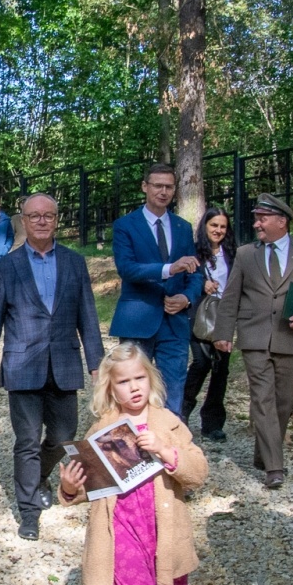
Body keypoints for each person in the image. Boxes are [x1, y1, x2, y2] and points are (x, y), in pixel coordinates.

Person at [59, 343, 208, 585]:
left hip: (160, 527)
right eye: (124, 382)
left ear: (151, 379)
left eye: (140, 378)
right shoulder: (102, 429)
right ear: (110, 388)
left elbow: (198, 473)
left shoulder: (168, 422)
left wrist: (167, 452)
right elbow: (87, 487)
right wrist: (70, 488)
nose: (134, 387)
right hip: (120, 526)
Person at [0, 193, 105, 540]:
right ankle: (29, 511)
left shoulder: (74, 263)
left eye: (49, 215)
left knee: (63, 437)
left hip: (64, 363)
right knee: (27, 440)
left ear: (57, 220)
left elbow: (88, 316)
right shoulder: (7, 266)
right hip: (22, 366)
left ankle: (41, 475)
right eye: (35, 216)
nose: (42, 221)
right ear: (24, 220)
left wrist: (97, 363)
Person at [212, 194, 293, 489]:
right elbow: (231, 296)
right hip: (254, 337)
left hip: (291, 338)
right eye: (256, 218)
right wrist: (223, 333)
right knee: (262, 399)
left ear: (282, 221)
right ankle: (274, 467)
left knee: (283, 403)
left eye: (263, 219)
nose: (256, 224)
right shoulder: (245, 254)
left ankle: (263, 455)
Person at [108, 163, 204, 416]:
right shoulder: (125, 225)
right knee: (132, 391)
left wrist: (186, 298)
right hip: (138, 319)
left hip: (174, 321)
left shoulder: (183, 227)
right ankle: (132, 438)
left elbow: (195, 272)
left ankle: (170, 438)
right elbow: (127, 268)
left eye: (169, 187)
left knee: (173, 391)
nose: (163, 192)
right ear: (145, 187)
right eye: (158, 186)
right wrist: (169, 269)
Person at [182, 207, 234, 442]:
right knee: (201, 363)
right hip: (199, 315)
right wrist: (201, 283)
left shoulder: (232, 253)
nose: (218, 230)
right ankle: (181, 411)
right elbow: (182, 278)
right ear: (204, 226)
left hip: (224, 317)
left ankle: (212, 423)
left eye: (223, 226)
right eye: (214, 225)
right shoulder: (193, 252)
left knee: (221, 369)